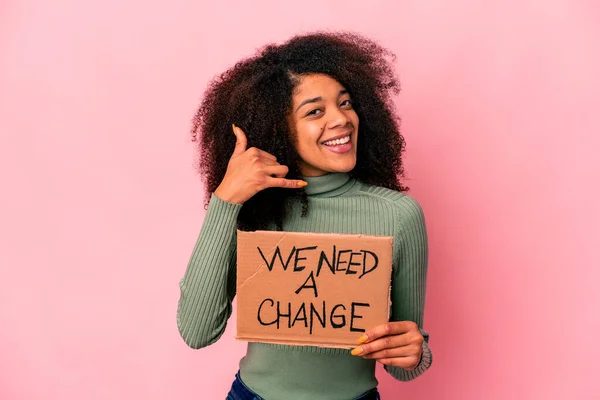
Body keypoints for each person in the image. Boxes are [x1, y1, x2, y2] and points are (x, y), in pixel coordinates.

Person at [177, 31, 432, 400]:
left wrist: (414, 352)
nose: (342, 120)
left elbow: (402, 362)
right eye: (315, 111)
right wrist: (225, 201)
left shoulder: (398, 216)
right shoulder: (250, 207)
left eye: (346, 103)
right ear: (279, 128)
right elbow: (197, 331)